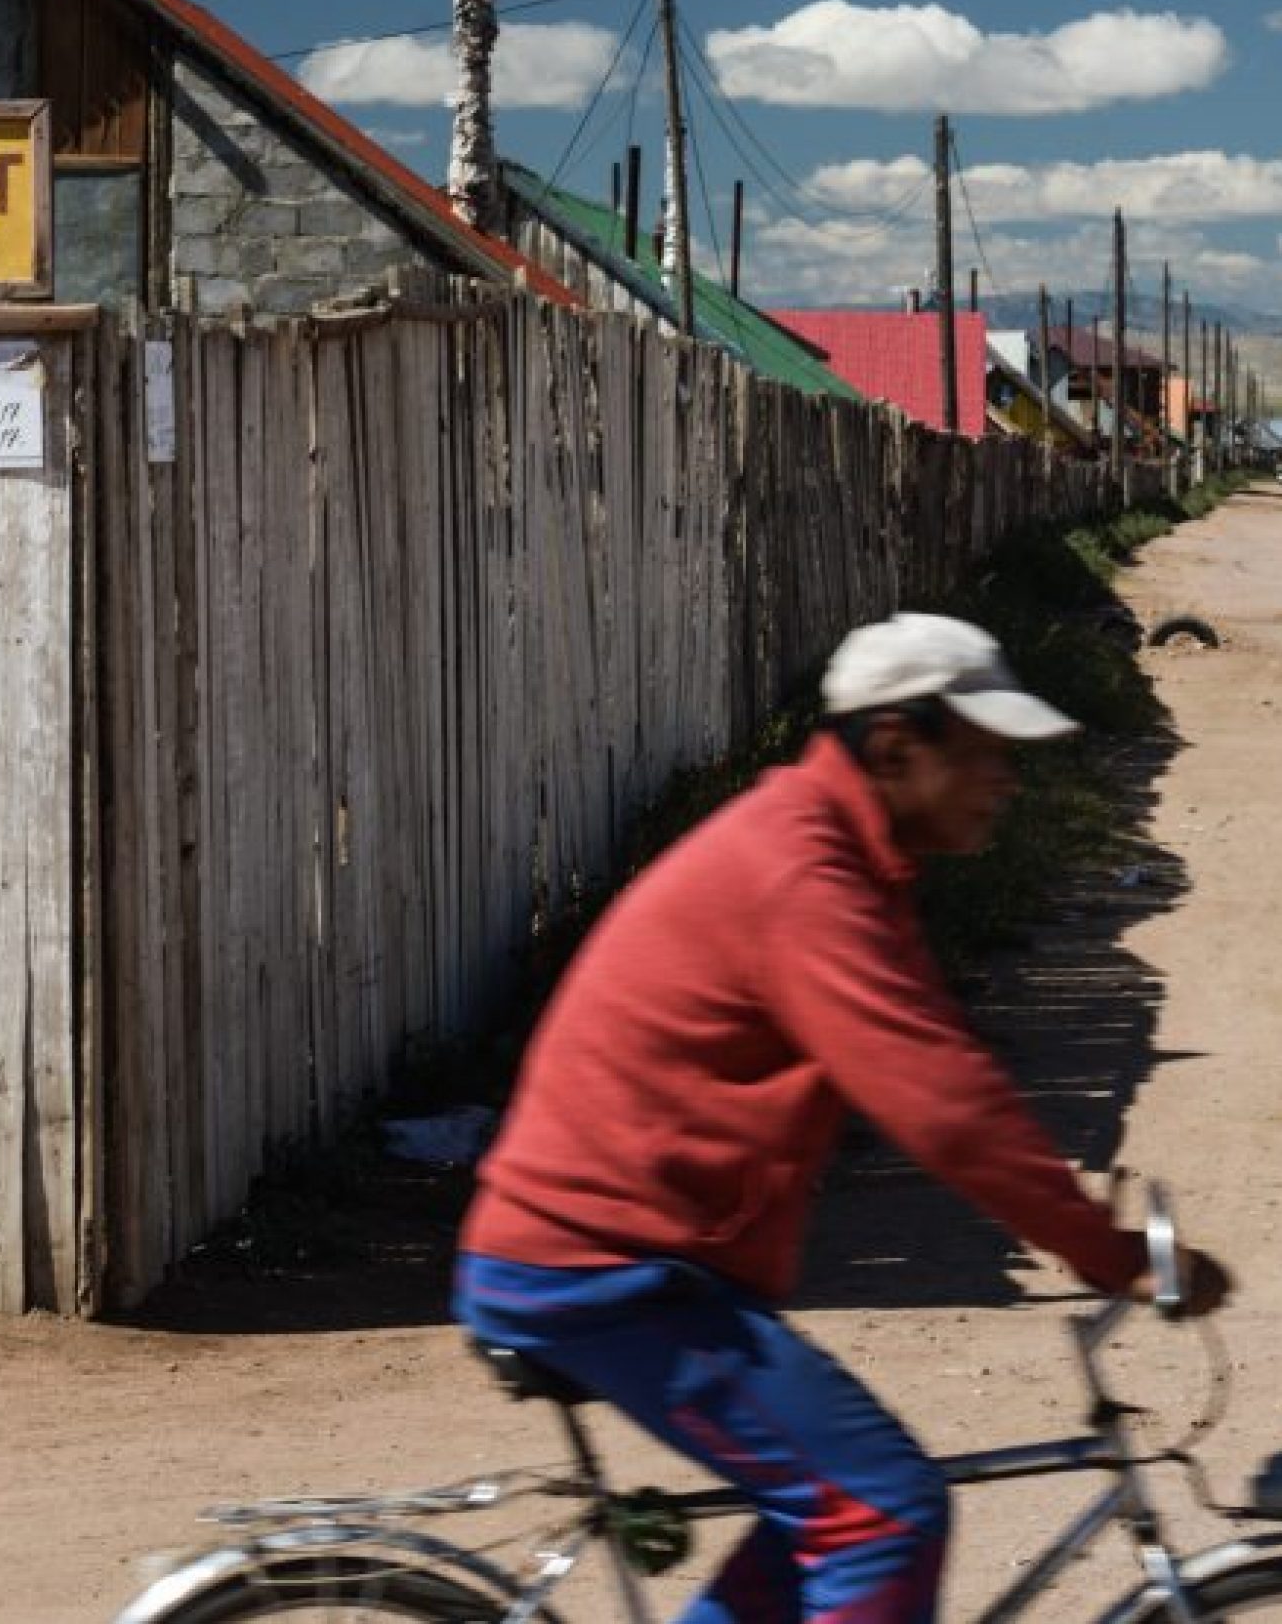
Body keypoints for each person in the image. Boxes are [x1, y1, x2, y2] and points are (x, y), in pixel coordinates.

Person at [454, 610, 1230, 1624]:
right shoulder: (803, 874)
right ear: (899, 745)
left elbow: (942, 1062)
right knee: (883, 1512)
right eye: (989, 751)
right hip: (600, 1270)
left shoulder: (840, 858)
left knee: (822, 1511)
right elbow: (939, 1100)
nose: (1010, 778)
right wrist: (1100, 1247)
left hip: (638, 1261)